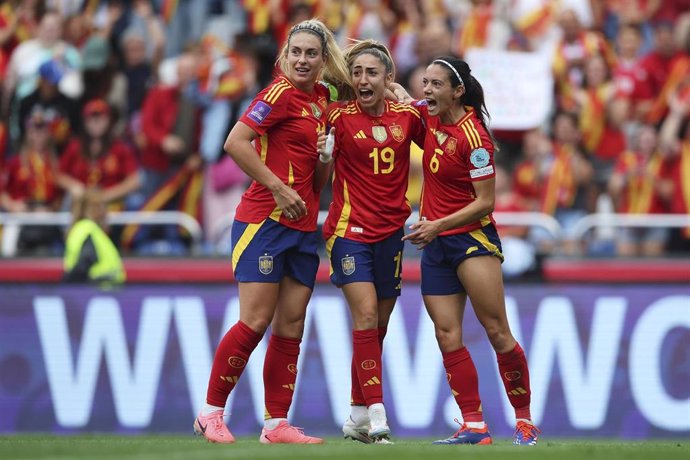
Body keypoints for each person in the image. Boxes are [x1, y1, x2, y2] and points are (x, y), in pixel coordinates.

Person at [193, 18, 350, 445]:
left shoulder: (320, 101)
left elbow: (317, 184)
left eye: (310, 54)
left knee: (291, 325)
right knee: (256, 319)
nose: (302, 59)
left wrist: (326, 158)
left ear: (321, 61)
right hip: (263, 221)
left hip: (302, 227)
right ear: (285, 56)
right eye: (295, 52)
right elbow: (235, 142)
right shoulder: (276, 94)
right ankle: (210, 412)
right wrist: (278, 188)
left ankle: (275, 424)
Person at [392, 56, 540, 445]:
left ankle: (524, 421)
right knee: (446, 334)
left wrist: (437, 225)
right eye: (425, 83)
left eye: (436, 84)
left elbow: (485, 202)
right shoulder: (428, 115)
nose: (427, 91)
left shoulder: (475, 139)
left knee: (496, 331)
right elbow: (403, 102)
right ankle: (474, 425)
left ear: (457, 90)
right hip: (435, 244)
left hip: (471, 241)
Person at [323, 39, 425, 444]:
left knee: (376, 329)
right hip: (349, 233)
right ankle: (379, 418)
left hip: (392, 236)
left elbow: (438, 149)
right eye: (357, 73)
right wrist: (322, 159)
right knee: (365, 318)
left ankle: (355, 415)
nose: (363, 80)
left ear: (388, 78)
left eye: (371, 73)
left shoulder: (407, 117)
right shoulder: (337, 118)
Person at [63, 188, 125, 286]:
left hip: (107, 292)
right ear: (84, 209)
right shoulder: (86, 228)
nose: (102, 211)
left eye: (103, 205)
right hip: (96, 290)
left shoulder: (95, 231)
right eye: (96, 206)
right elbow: (84, 262)